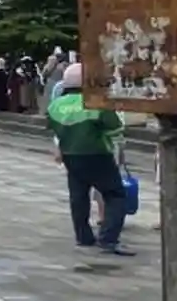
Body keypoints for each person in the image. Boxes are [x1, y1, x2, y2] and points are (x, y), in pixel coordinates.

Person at [46, 63, 134, 256]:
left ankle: (83, 237)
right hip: (98, 154)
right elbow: (115, 129)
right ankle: (108, 239)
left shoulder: (55, 105)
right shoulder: (96, 101)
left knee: (78, 197)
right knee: (115, 195)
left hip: (70, 155)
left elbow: (53, 129)